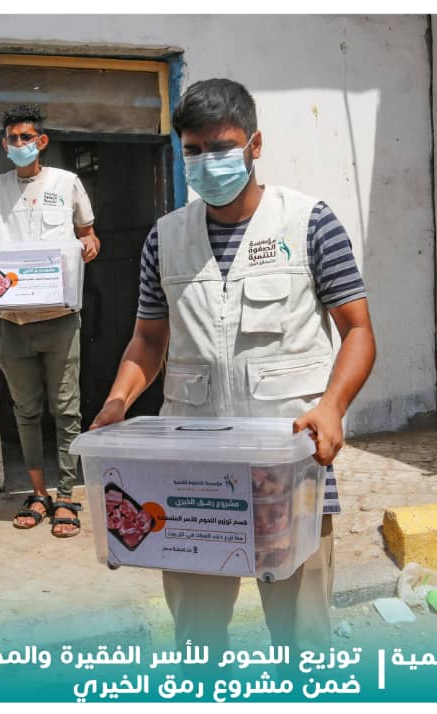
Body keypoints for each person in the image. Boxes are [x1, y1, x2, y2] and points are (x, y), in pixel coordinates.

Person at [90, 79, 376, 653]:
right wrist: (118, 401)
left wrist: (332, 408)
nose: (206, 162)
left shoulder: (310, 223)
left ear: (255, 144)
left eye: (220, 147)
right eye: (193, 151)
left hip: (290, 466)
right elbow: (148, 339)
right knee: (197, 635)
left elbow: (358, 331)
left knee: (301, 635)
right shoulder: (164, 239)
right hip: (192, 471)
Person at [0, 104, 100, 538]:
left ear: (41, 141)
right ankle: (39, 494)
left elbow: (88, 235)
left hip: (60, 318)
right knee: (25, 411)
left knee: (66, 409)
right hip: (12, 321)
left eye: (27, 137)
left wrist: (90, 246)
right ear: (4, 145)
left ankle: (67, 495)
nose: (19, 144)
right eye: (12, 138)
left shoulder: (67, 183)